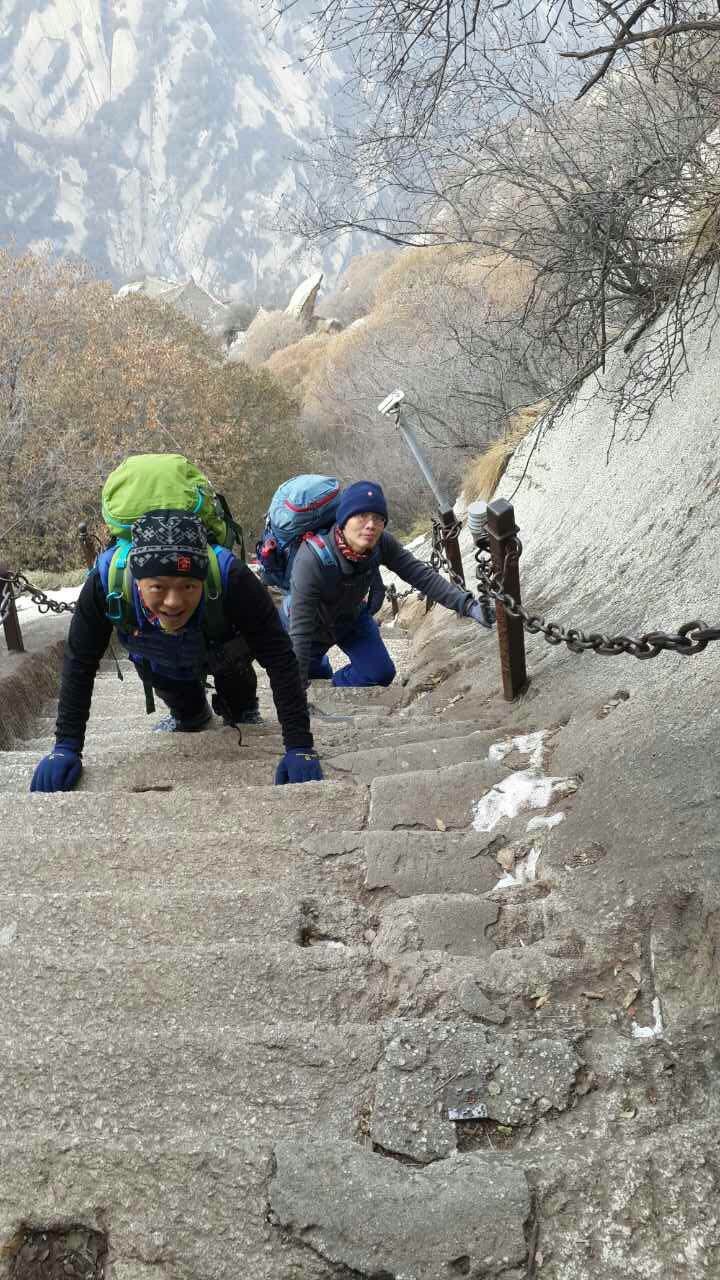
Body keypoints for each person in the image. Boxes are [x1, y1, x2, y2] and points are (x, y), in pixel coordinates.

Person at [30, 510, 323, 792]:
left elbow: (279, 657)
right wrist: (65, 746)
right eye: (158, 587)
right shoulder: (105, 582)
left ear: (202, 578)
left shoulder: (231, 576)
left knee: (238, 700)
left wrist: (299, 745)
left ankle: (244, 706)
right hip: (161, 659)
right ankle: (190, 712)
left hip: (222, 649)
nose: (173, 601)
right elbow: (80, 661)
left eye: (188, 586)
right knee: (188, 715)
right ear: (137, 579)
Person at [284, 480, 493, 688]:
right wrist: (296, 695)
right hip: (313, 624)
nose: (370, 525)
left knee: (380, 674)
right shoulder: (311, 559)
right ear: (343, 520)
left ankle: (332, 686)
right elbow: (300, 630)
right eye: (361, 516)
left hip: (351, 617)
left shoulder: (381, 543)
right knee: (305, 672)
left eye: (378, 518)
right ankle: (319, 669)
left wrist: (468, 606)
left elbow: (421, 575)